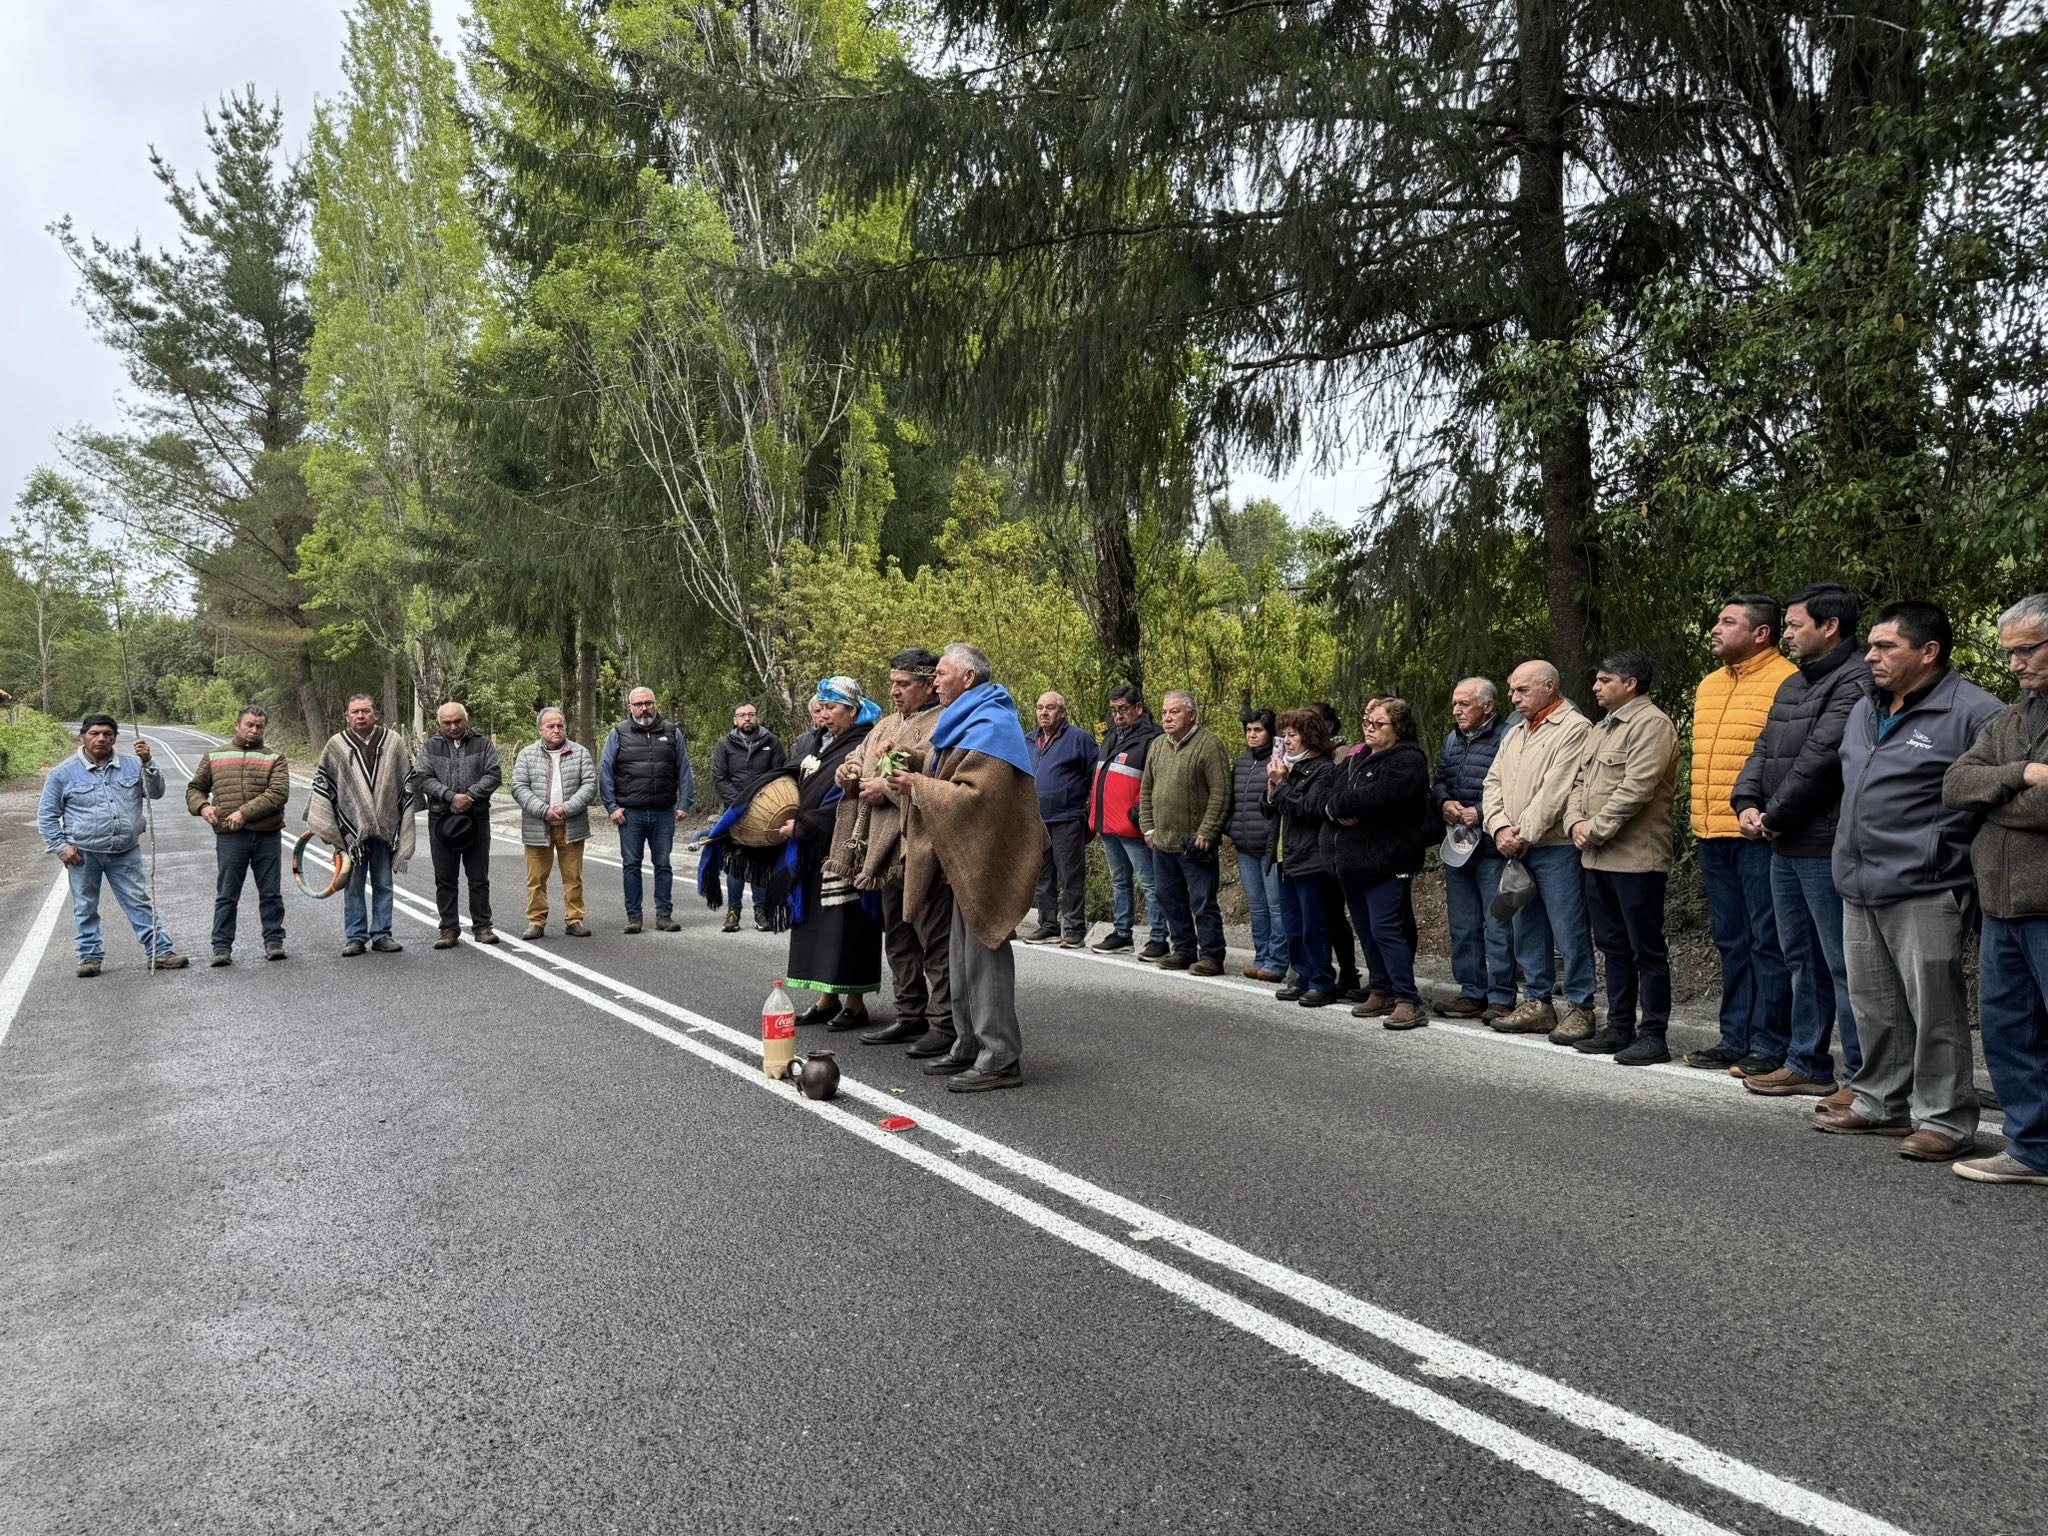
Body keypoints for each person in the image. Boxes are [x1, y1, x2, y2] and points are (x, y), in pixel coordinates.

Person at [1818, 601, 2002, 1161]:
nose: (1870, 656)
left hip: (1926, 884)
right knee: (1874, 1002)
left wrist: (1945, 861)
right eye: (1871, 645)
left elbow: (1991, 799)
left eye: (1885, 647)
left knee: (1934, 1008)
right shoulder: (1865, 706)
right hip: (1858, 879)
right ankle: (1879, 1101)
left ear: (1929, 652)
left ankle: (1945, 1119)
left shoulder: (1975, 712)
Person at [1731, 584, 1872, 1102]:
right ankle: (1807, 1062)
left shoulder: (1856, 680)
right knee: (1800, 959)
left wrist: (1772, 814)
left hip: (1824, 842)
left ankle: (1862, 1079)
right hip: (1785, 842)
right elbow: (1764, 749)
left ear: (1829, 627)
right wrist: (1745, 800)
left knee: (1842, 963)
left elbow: (1823, 757)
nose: (1786, 633)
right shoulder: (1793, 683)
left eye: (1794, 625)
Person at [893, 642, 1047, 1091]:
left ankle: (1000, 1057)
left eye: (941, 674)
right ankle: (968, 1043)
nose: (934, 680)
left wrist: (916, 784)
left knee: (985, 957)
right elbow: (951, 770)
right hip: (966, 860)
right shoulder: (968, 719)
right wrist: (916, 762)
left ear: (969, 678)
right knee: (960, 957)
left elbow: (976, 797)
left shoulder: (993, 724)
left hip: (988, 859)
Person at [1942, 592, 2048, 1185]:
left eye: (2028, 650)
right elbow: (1957, 784)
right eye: (2010, 653)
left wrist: (1995, 804)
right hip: (2002, 904)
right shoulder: (2012, 718)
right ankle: (2033, 1150)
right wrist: (2020, 775)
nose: (2015, 664)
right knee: (2010, 1030)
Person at [1683, 596, 1799, 1076]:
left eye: (1727, 622)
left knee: (1767, 941)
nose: (1715, 628)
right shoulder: (1709, 685)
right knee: (1731, 939)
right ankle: (1734, 1038)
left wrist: (1767, 812)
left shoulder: (1788, 681)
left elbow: (1784, 757)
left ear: (1761, 634)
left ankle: (1770, 1043)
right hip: (1711, 830)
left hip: (1757, 834)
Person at [832, 649, 953, 1053]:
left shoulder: (942, 723)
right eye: (892, 683)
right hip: (882, 852)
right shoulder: (884, 724)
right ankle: (909, 1014)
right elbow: (857, 756)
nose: (894, 691)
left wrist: (885, 788)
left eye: (903, 684)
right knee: (898, 936)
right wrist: (847, 771)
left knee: (933, 935)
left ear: (927, 684)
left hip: (920, 845)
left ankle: (944, 1022)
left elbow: (936, 773)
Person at [1565, 652, 1679, 1063]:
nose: (1596, 687)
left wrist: (1594, 829)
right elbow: (1579, 782)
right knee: (1612, 945)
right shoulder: (1600, 729)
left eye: (1605, 680)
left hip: (1636, 859)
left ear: (1631, 683)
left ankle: (1653, 1034)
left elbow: (1637, 787)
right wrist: (1575, 822)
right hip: (1597, 858)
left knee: (1644, 948)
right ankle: (1618, 1027)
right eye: (1596, 680)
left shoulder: (1652, 725)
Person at [1482, 661, 1596, 1037]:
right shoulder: (1515, 732)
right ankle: (1537, 1002)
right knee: (1526, 928)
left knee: (1569, 930)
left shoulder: (1575, 728)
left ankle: (1581, 1007)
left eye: (1522, 691)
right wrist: (1499, 828)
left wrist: (1521, 835)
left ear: (1549, 687)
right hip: (1516, 848)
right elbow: (1492, 782)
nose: (1513, 698)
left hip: (1555, 847)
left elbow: (1556, 790)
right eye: (1512, 690)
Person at [38, 715, 187, 976]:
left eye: (107, 733)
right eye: (94, 733)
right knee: (85, 906)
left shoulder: (132, 764)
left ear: (115, 737)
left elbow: (156, 792)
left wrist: (148, 761)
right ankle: (89, 958)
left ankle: (160, 952)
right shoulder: (63, 773)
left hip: (125, 851)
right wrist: (61, 847)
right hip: (83, 853)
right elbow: (47, 815)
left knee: (139, 902)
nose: (101, 738)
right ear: (83, 736)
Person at [781, 677, 884, 1029]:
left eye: (831, 708)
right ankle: (827, 999)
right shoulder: (820, 744)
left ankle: (855, 1004)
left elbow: (847, 798)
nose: (824, 714)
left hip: (845, 847)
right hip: (813, 848)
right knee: (818, 924)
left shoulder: (864, 743)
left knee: (846, 923)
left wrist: (806, 825)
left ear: (852, 712)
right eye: (820, 708)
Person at [1326, 698, 1434, 1028]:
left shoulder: (1408, 760)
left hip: (1389, 858)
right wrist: (1341, 808)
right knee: (1366, 930)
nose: (1370, 728)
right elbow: (1331, 797)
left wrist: (1347, 805)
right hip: (1353, 859)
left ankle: (1407, 999)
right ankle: (1381, 988)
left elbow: (1382, 798)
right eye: (1367, 722)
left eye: (1378, 724)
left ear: (1398, 728)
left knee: (1387, 929)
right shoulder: (1357, 758)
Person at [307, 693, 417, 957]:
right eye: (355, 712)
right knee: (353, 886)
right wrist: (331, 829)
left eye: (365, 711)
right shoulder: (335, 745)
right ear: (347, 716)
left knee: (384, 883)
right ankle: (355, 936)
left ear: (375, 714)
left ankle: (382, 934)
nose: (360, 716)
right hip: (351, 834)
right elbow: (324, 788)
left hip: (384, 829)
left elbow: (407, 783)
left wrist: (400, 820)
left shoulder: (394, 743)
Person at [1431, 677, 1513, 1020]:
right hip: (1459, 844)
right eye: (1454, 704)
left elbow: (1513, 786)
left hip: (1493, 845)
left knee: (1497, 924)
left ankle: (1501, 996)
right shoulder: (1452, 739)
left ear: (1488, 706)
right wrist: (1445, 802)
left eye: (1464, 704)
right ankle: (1471, 991)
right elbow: (1439, 779)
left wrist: (1480, 811)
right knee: (1462, 925)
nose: (1457, 710)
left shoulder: (1508, 737)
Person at [185, 706, 290, 966]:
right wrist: (202, 806)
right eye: (249, 725)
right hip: (230, 837)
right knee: (227, 893)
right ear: (237, 725)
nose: (254, 730)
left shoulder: (275, 757)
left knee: (271, 892)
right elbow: (195, 788)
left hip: (267, 834)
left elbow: (278, 794)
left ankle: (274, 942)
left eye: (259, 726)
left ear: (265, 729)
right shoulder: (214, 756)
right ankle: (221, 947)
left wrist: (243, 813)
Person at [1139, 690, 1234, 974]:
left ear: (1191, 715)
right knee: (1170, 899)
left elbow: (1220, 791)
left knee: (1202, 901)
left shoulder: (1209, 745)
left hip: (1195, 842)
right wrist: (1148, 827)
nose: (1167, 717)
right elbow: (1146, 790)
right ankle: (1182, 949)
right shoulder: (1157, 746)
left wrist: (1208, 830)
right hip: (1162, 840)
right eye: (1165, 712)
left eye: (1175, 712)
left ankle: (1212, 956)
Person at [599, 687, 695, 934]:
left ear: (655, 704)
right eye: (638, 704)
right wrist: (611, 807)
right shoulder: (618, 733)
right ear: (630, 707)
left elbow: (684, 768)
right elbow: (606, 772)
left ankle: (664, 915)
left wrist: (685, 802)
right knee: (631, 864)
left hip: (664, 812)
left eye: (648, 703)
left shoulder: (672, 732)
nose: (644, 708)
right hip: (630, 814)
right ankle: (634, 917)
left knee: (663, 864)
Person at [1264, 708, 1341, 1007]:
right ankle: (1303, 976)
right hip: (1285, 857)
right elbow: (1268, 809)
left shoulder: (1324, 770)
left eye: (1292, 735)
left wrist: (1282, 785)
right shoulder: (1287, 767)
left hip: (1312, 858)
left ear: (1310, 737)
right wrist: (1273, 786)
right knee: (1292, 926)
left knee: (1314, 925)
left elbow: (1309, 809)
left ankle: (1322, 981)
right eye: (1284, 735)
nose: (1287, 741)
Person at [1088, 685, 1167, 956]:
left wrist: (1139, 815)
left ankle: (1159, 937)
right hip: (1108, 822)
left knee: (1149, 882)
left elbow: (1155, 782)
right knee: (1120, 881)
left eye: (1123, 709)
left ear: (1138, 709)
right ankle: (1123, 933)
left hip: (1133, 824)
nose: (1118, 716)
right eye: (1113, 711)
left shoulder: (1153, 738)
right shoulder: (1112, 736)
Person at [418, 701, 503, 949]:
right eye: (447, 723)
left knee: (478, 876)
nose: (453, 726)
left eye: (458, 721)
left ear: (466, 719)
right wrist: (449, 796)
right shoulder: (430, 747)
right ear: (439, 723)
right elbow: (423, 777)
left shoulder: (483, 744)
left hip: (476, 818)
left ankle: (483, 926)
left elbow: (494, 774)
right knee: (445, 877)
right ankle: (448, 929)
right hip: (441, 819)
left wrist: (469, 796)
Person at [1020, 691, 1098, 947]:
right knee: (1043, 876)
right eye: (1040, 707)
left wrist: (1086, 811)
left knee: (1070, 875)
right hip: (1037, 820)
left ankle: (1075, 929)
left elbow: (1094, 779)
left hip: (1067, 818)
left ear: (1062, 712)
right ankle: (1048, 925)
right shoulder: (1029, 740)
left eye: (1050, 708)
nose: (1044, 712)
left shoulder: (1080, 739)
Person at [510, 707, 596, 939]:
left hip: (572, 825)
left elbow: (589, 785)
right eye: (551, 726)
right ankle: (536, 922)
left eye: (560, 725)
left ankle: (574, 919)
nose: (556, 729)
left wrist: (567, 809)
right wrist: (544, 811)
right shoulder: (527, 755)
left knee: (573, 878)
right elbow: (518, 787)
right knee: (536, 879)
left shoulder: (580, 753)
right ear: (540, 729)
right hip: (538, 826)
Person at [711, 702, 785, 931]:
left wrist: (760, 802)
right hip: (734, 814)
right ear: (735, 720)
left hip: (765, 815)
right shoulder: (724, 745)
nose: (747, 719)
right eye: (742, 715)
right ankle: (733, 912)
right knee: (735, 865)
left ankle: (760, 912)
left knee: (760, 865)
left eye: (751, 715)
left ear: (757, 718)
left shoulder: (772, 742)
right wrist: (740, 803)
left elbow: (779, 774)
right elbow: (719, 777)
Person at [1228, 709, 1286, 981]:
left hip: (1270, 848)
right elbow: (1231, 802)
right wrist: (1231, 829)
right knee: (1257, 907)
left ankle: (1277, 962)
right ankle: (1261, 956)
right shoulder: (1241, 763)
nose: (1252, 735)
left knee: (1276, 907)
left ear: (1271, 733)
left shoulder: (1279, 763)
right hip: (1245, 847)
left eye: (1258, 730)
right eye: (1249, 730)